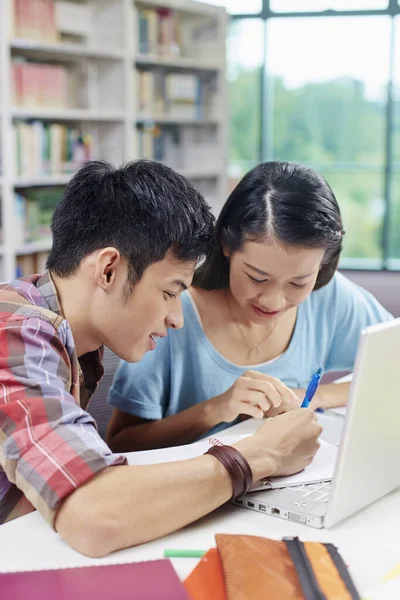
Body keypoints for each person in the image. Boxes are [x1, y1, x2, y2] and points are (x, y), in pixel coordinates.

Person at [0, 159, 322, 558]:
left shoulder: (70, 336)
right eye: (170, 292)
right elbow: (93, 515)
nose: (176, 317)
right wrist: (262, 455)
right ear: (108, 269)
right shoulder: (14, 330)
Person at [107, 161, 393, 453]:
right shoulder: (171, 311)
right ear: (226, 245)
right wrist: (214, 410)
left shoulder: (329, 297)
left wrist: (315, 396)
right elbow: (120, 444)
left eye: (298, 283)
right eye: (257, 278)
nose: (273, 301)